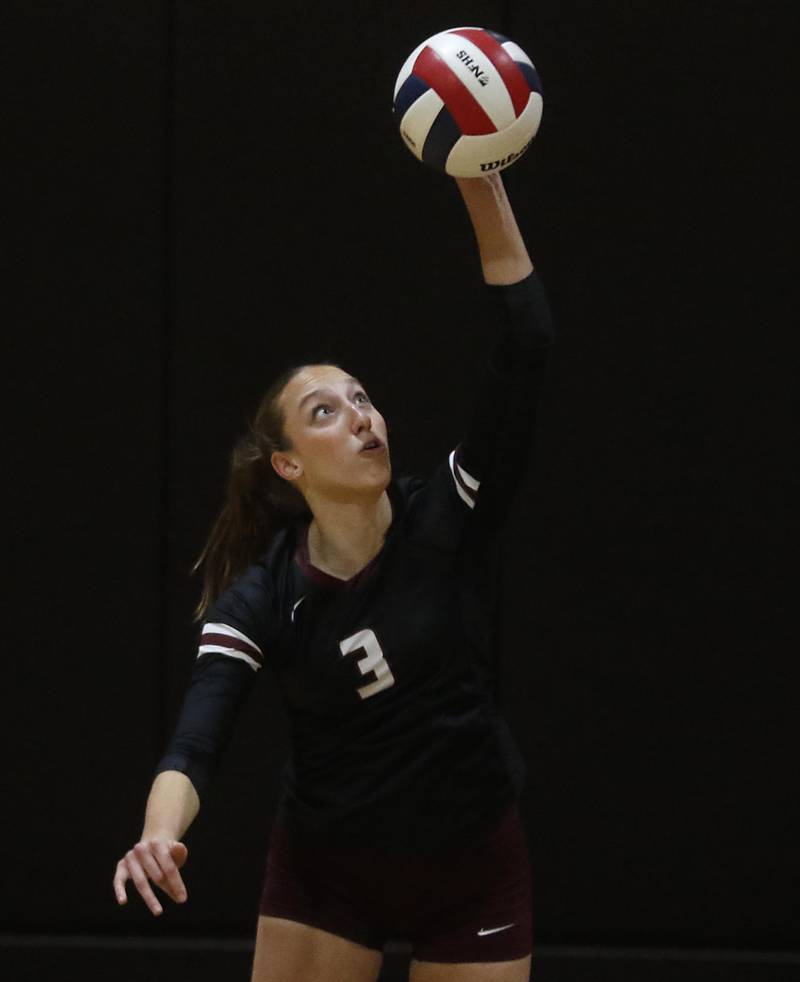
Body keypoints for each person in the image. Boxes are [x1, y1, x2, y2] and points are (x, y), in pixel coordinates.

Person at [113, 171, 555, 982]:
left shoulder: (445, 518)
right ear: (287, 464)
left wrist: (479, 184)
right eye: (325, 412)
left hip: (470, 862)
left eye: (361, 399)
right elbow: (195, 743)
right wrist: (157, 832)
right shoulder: (264, 598)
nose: (360, 415)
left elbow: (524, 343)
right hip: (331, 871)